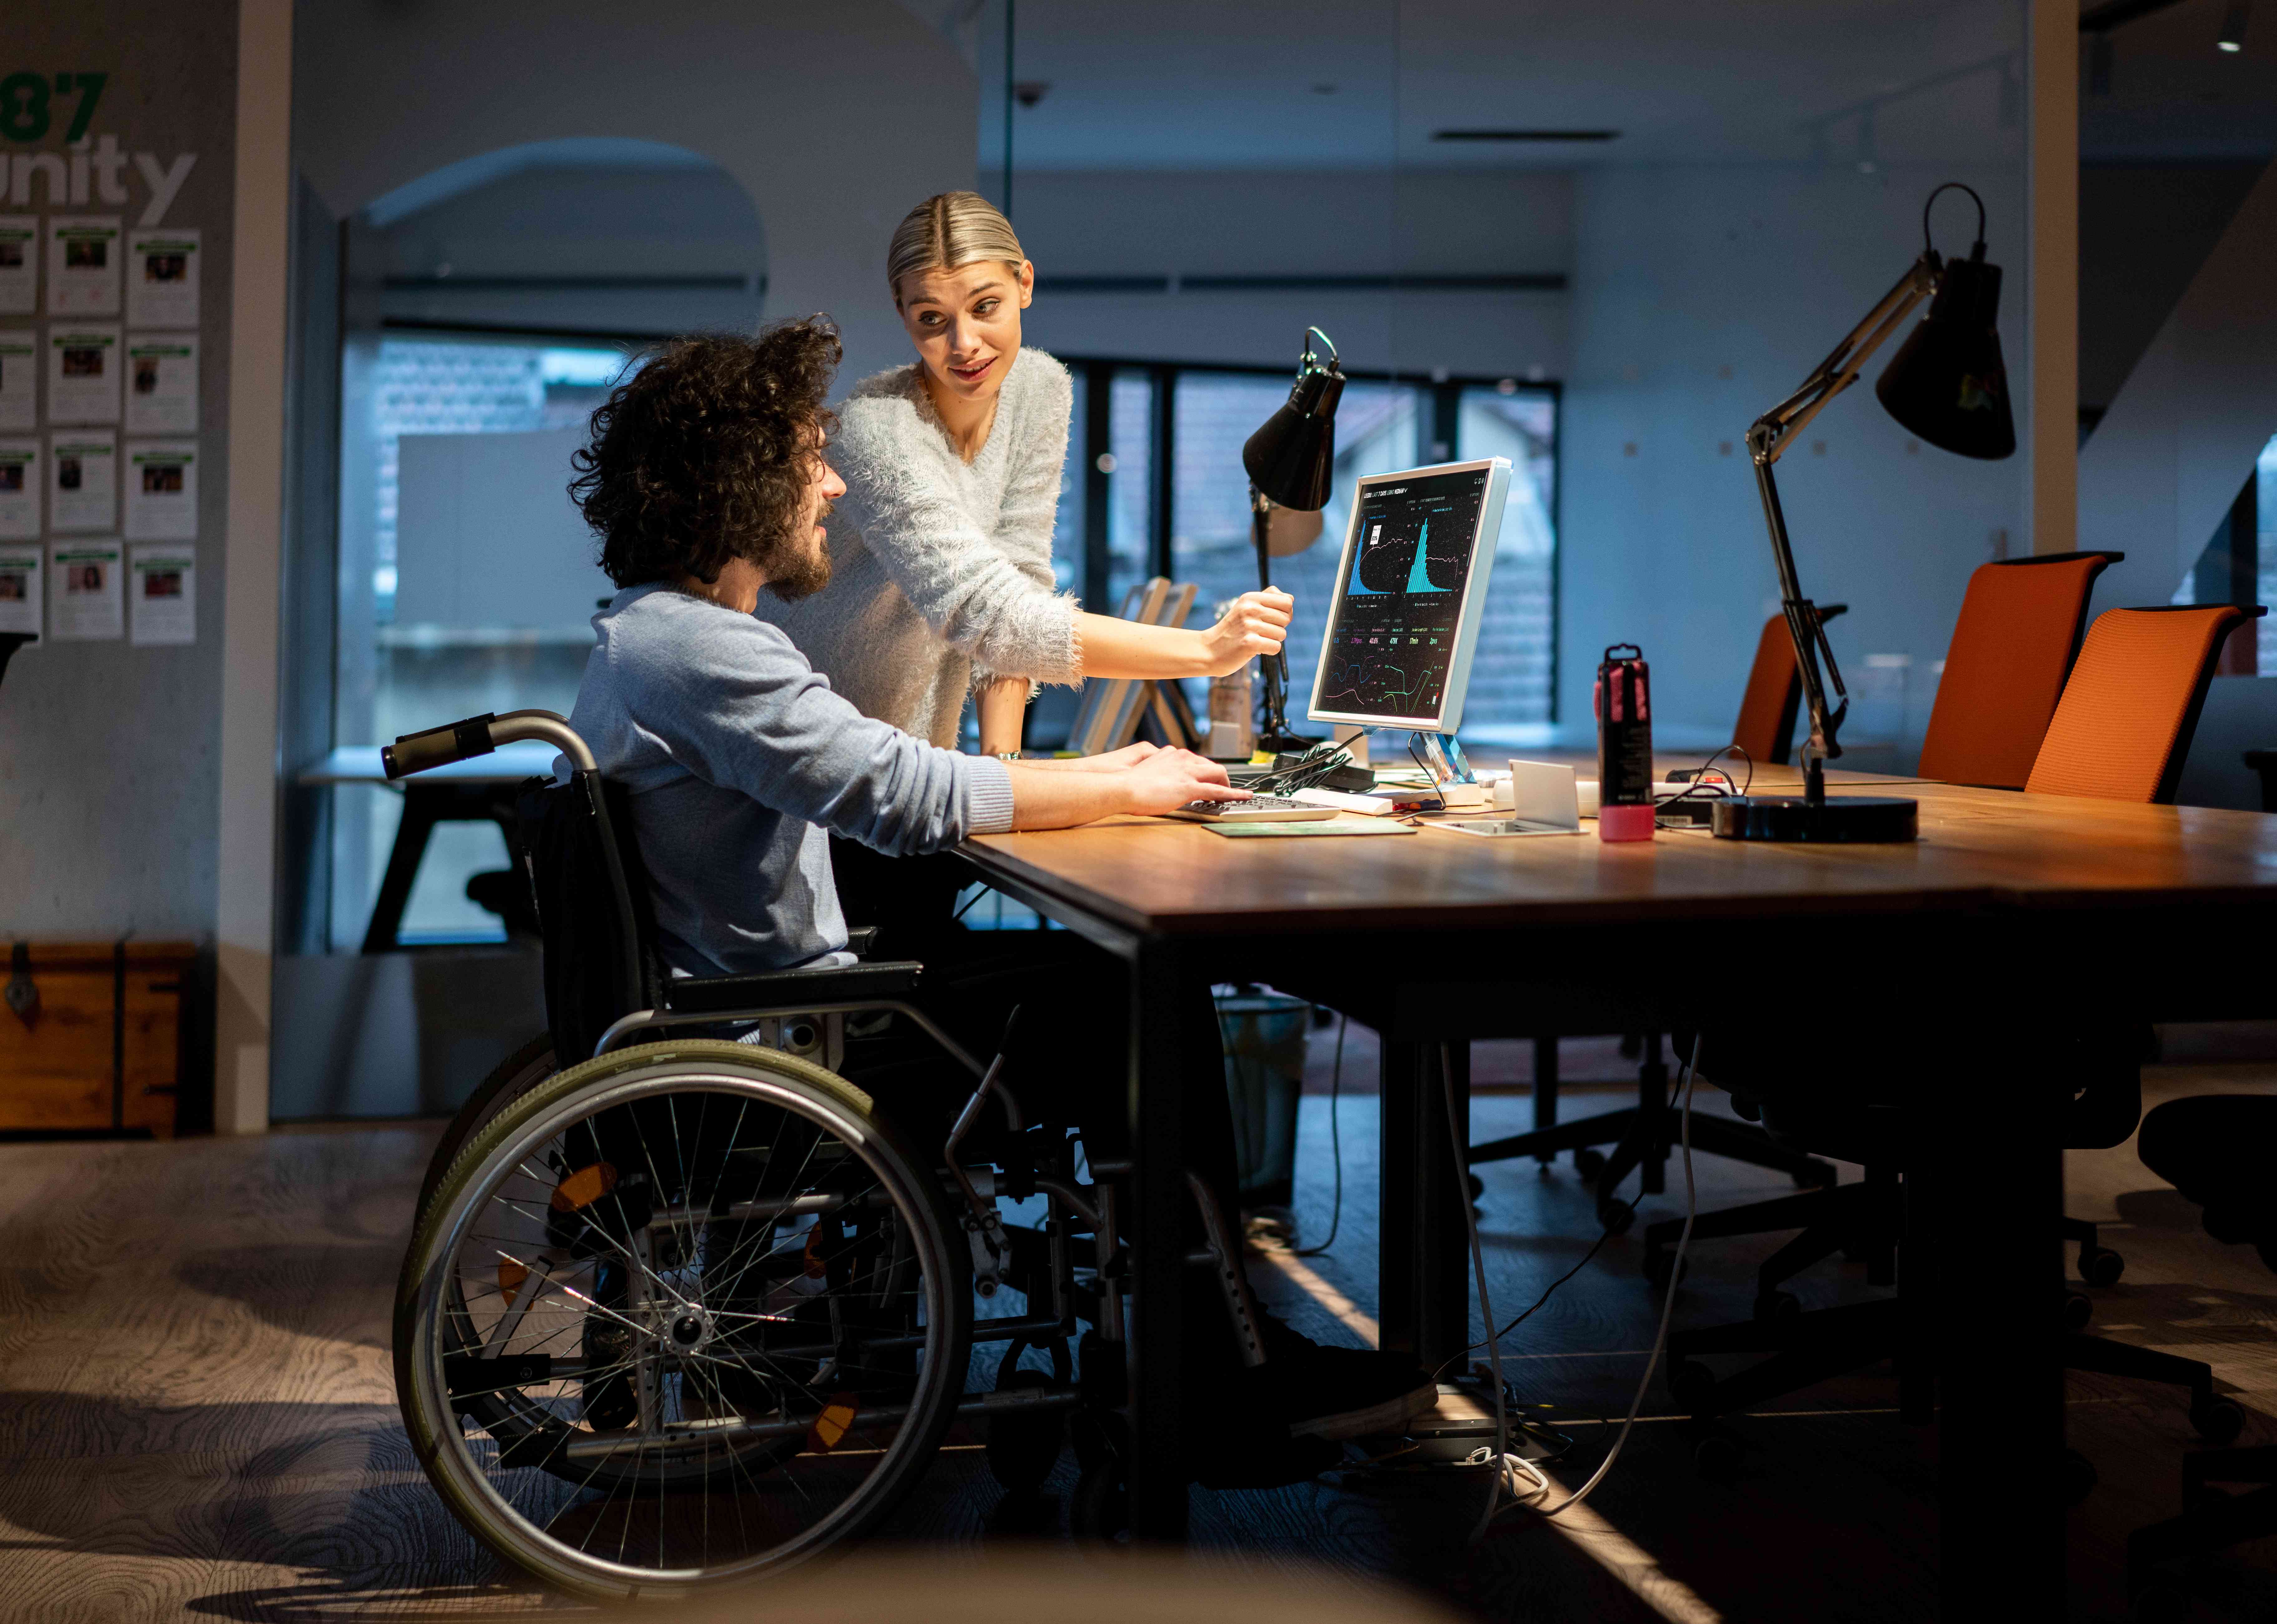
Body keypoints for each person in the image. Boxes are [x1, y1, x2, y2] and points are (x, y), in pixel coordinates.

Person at [564, 318, 1435, 1481]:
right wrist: (1109, 779)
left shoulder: (658, 638)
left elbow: (877, 777)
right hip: (803, 1049)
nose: (830, 482)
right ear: (737, 486)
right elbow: (899, 795)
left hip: (761, 1024)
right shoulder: (707, 651)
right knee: (1135, 995)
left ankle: (1183, 1348)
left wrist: (1092, 778)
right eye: (804, 459)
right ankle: (1212, 1386)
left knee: (1097, 979)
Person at [756, 191, 1293, 949]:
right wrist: (1206, 652)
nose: (964, 344)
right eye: (931, 321)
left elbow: (1018, 577)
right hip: (834, 788)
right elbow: (987, 615)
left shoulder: (1040, 389)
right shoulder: (878, 433)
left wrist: (1005, 765)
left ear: (1025, 284)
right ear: (903, 314)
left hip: (924, 772)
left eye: (985, 307)